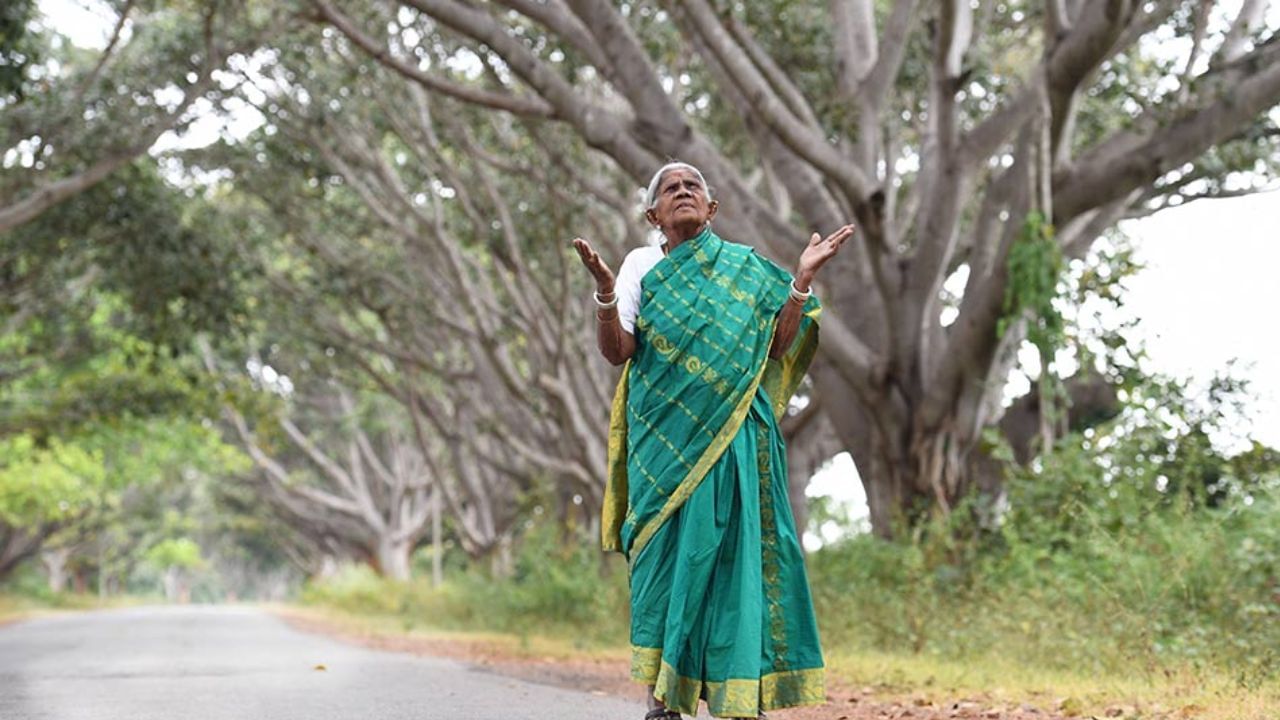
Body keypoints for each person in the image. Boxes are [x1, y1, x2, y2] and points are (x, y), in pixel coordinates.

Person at [572, 162, 852, 719]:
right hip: (662, 451)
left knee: (732, 566)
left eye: (692, 186)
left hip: (737, 446)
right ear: (653, 215)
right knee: (668, 566)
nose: (682, 192)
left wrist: (800, 283)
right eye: (669, 189)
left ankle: (739, 699)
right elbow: (617, 351)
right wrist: (605, 293)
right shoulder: (640, 266)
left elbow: (775, 347)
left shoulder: (744, 269)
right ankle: (662, 702)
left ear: (712, 208)